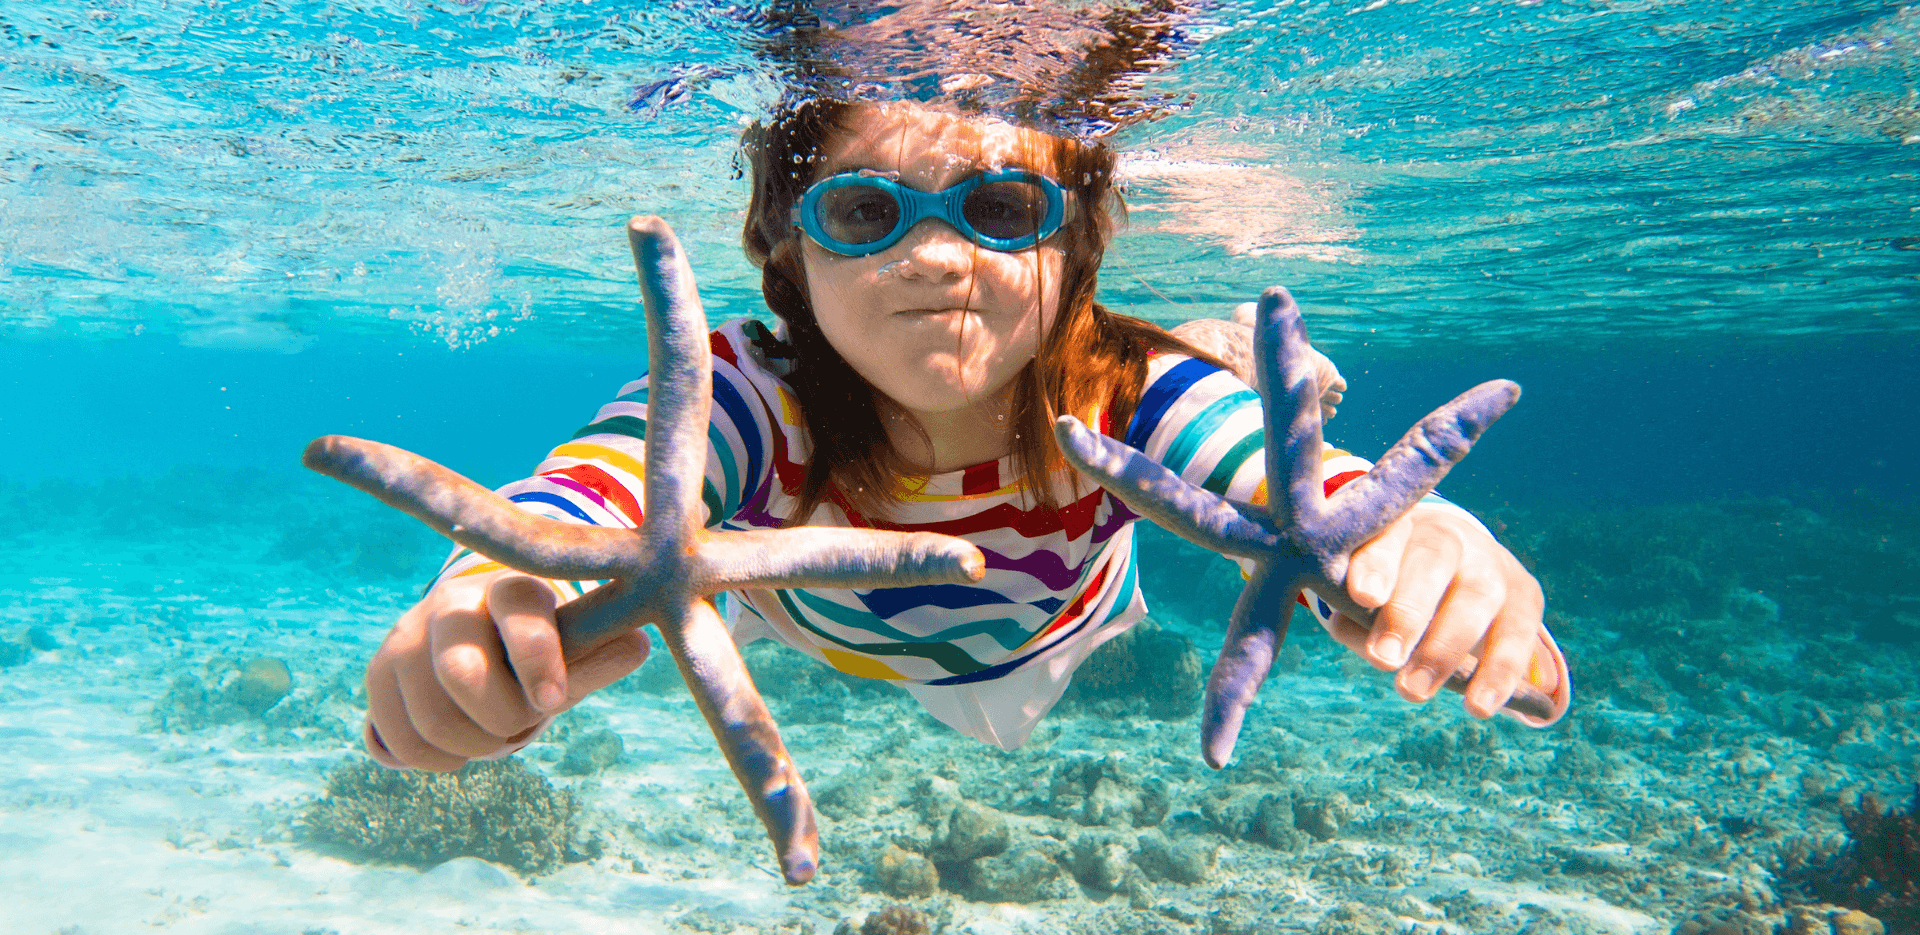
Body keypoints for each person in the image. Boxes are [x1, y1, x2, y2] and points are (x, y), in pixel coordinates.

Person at [357, 93, 1570, 774]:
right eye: (867, 210)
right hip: (807, 627)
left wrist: (1419, 539)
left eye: (999, 207)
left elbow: (1276, 480)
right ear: (789, 248)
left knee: (1188, 380)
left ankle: (1213, 343)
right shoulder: (742, 394)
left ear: (1077, 244)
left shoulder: (1123, 396)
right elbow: (598, 485)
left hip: (1068, 632)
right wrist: (489, 586)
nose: (936, 256)